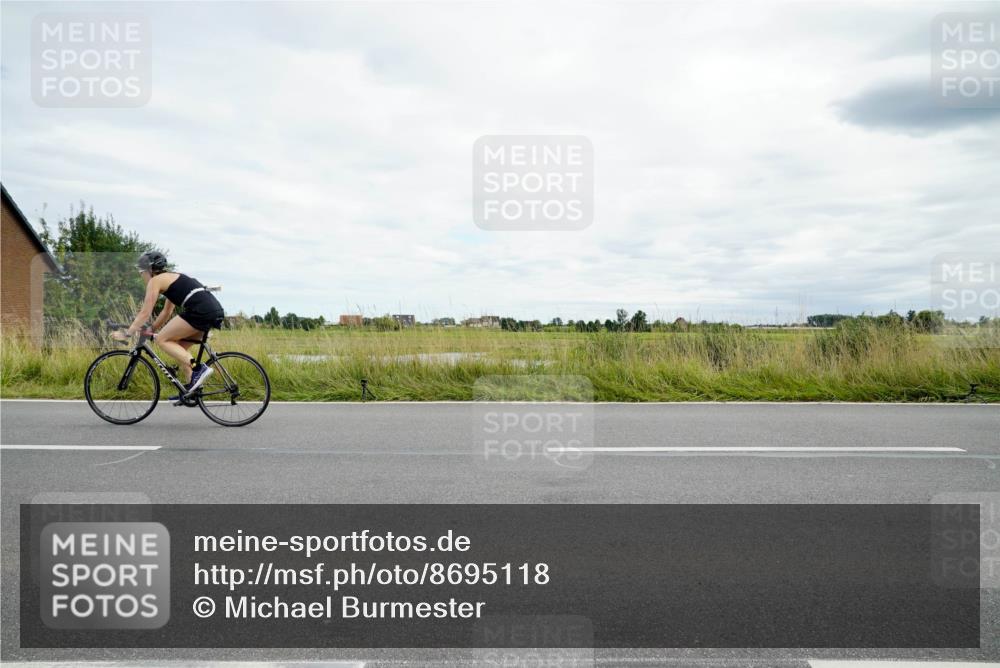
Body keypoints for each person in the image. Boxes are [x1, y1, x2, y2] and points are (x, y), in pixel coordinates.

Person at [113, 251, 225, 400]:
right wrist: (151, 329)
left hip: (200, 311)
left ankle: (198, 368)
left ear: (150, 270)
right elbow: (166, 312)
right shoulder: (172, 278)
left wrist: (127, 333)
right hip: (212, 310)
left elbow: (145, 312)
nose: (141, 276)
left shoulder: (156, 281)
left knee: (162, 340)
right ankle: (192, 391)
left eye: (141, 272)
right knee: (179, 348)